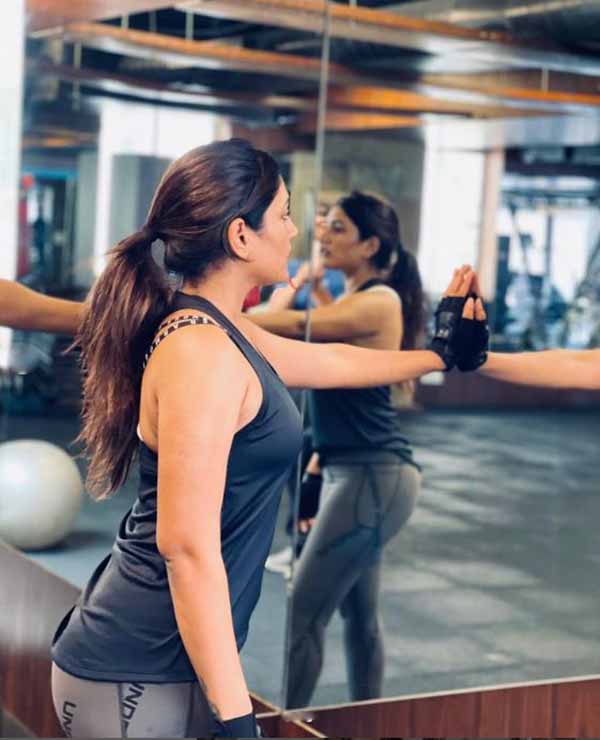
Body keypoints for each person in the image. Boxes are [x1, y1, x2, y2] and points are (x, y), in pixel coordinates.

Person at [14, 139, 463, 739]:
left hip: (171, 662)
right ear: (241, 236)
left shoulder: (224, 331)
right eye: (283, 214)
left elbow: (332, 362)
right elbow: (186, 548)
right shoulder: (200, 352)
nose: (296, 230)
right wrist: (237, 718)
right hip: (134, 666)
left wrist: (439, 355)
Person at [248, 191, 426, 707]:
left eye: (339, 227)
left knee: (304, 613)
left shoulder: (380, 301)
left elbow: (290, 325)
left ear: (370, 245)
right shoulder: (348, 299)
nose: (322, 232)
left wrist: (206, 308)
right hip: (353, 475)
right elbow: (295, 321)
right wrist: (305, 283)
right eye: (324, 221)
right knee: (359, 616)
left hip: (372, 478)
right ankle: (368, 718)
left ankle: (288, 727)